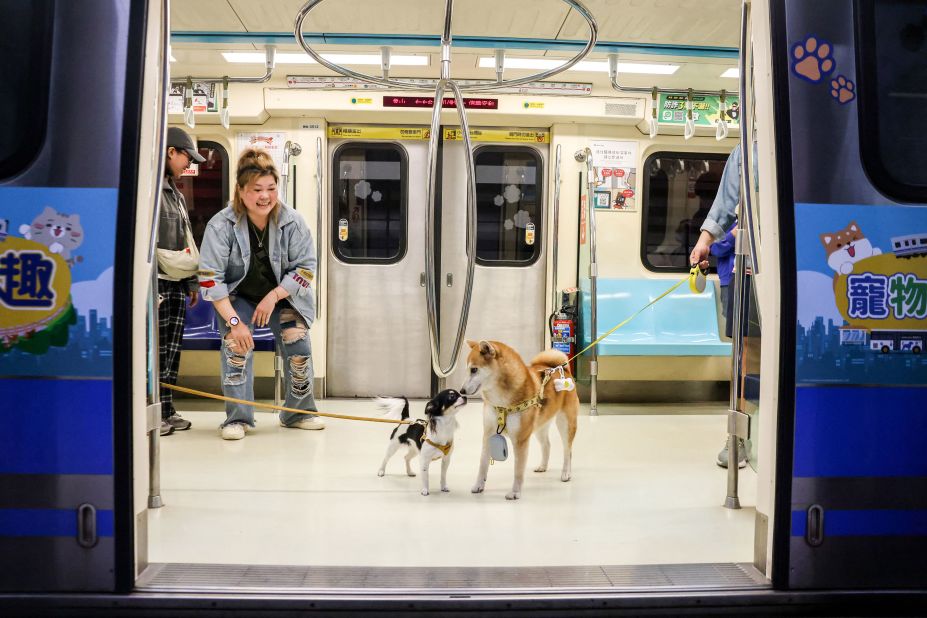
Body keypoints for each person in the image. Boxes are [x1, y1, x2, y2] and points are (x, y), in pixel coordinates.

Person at [198, 148, 325, 440]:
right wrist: (234, 323)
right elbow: (210, 281)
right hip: (236, 298)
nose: (265, 196)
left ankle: (297, 413)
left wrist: (273, 296)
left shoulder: (292, 221)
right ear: (241, 192)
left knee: (298, 343)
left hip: (283, 297)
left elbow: (306, 269)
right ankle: (238, 418)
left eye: (271, 188)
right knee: (236, 346)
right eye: (257, 189)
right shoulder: (221, 225)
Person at [688, 144, 747, 469]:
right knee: (745, 351)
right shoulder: (746, 150)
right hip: (742, 270)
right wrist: (704, 241)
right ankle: (739, 435)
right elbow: (726, 203)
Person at [157, 127, 205, 436]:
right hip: (156, 284)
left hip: (175, 282)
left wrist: (191, 283)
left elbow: (182, 241)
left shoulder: (174, 191)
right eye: (187, 157)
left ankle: (166, 406)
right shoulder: (150, 190)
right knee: (156, 351)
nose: (188, 164)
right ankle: (151, 409)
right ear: (171, 151)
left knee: (171, 352)